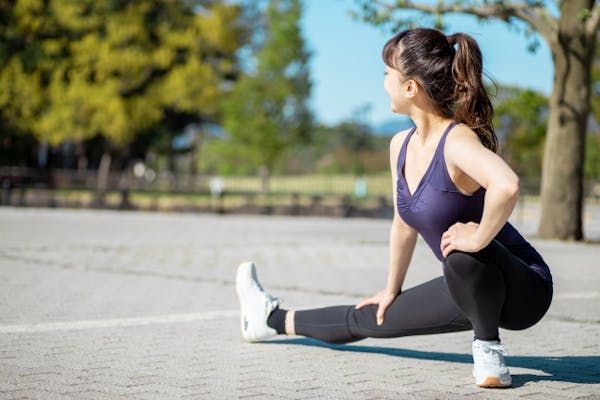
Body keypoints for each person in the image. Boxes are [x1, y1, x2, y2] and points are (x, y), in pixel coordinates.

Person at [235, 27, 553, 389]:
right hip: (468, 286)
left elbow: (507, 184)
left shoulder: (456, 141)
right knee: (372, 319)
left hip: (524, 289)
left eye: (388, 73)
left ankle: (487, 352)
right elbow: (403, 224)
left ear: (410, 88)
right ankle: (269, 319)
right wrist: (391, 289)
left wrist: (479, 237)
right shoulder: (400, 145)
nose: (383, 81)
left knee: (460, 252)